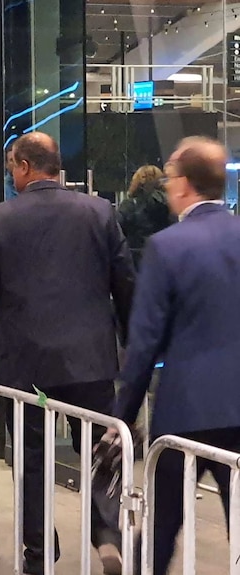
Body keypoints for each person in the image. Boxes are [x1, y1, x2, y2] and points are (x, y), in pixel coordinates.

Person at [0, 132, 135, 575]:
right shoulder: (100, 212)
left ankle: (38, 553)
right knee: (99, 452)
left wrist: (14, 294)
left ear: (22, 166)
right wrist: (130, 342)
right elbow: (126, 282)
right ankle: (106, 535)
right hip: (90, 359)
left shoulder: (0, 219)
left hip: (26, 361)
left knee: (32, 457)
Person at [111, 137, 240, 575]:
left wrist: (122, 414)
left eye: (169, 180)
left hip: (185, 411)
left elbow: (145, 340)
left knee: (164, 522)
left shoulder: (168, 247)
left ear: (184, 185)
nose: (166, 188)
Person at [116, 165, 174, 268]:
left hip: (136, 262)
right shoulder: (171, 205)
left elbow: (116, 232)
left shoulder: (129, 205)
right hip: (164, 260)